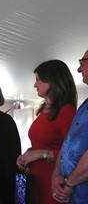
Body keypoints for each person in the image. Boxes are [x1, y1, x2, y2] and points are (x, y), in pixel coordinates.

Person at [16, 60, 77, 204]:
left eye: (38, 79)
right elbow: (42, 143)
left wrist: (40, 154)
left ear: (52, 80)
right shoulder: (44, 111)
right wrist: (27, 155)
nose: (34, 84)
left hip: (53, 183)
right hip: (36, 181)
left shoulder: (65, 111)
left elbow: (74, 153)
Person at [51, 50, 88, 204]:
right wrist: (56, 174)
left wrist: (68, 182)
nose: (79, 69)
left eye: (83, 62)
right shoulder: (84, 105)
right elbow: (67, 143)